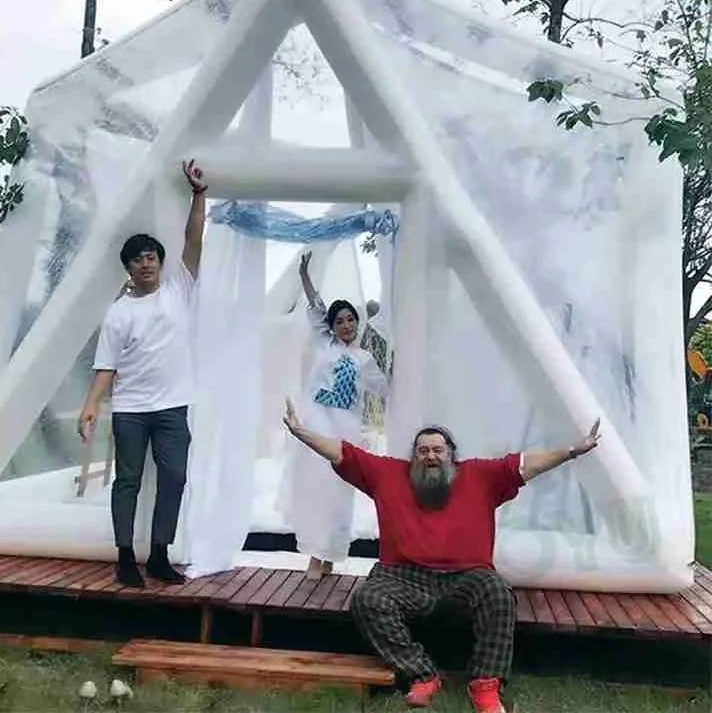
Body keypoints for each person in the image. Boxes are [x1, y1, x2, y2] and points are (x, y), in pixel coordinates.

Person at [283, 399, 601, 712]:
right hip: (402, 576)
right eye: (423, 451)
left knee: (498, 594)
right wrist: (301, 432)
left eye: (438, 450)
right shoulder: (387, 474)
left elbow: (526, 464)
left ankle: (486, 687)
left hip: (466, 578)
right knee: (367, 599)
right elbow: (342, 452)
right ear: (414, 457)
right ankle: (423, 675)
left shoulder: (480, 475)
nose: (431, 456)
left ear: (451, 455)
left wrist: (573, 451)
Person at [77, 159, 207, 588]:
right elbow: (106, 366)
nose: (145, 264)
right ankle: (125, 557)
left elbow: (194, 239)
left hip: (172, 407)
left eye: (150, 257)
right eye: (137, 260)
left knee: (174, 477)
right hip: (131, 409)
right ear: (128, 268)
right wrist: (91, 405)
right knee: (127, 482)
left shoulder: (179, 290)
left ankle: (160, 555)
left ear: (160, 261)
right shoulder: (118, 313)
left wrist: (198, 195)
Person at [284, 251, 389, 579]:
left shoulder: (364, 359)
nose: (346, 325)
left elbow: (385, 387)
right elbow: (316, 310)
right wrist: (305, 278)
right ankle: (315, 557)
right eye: (339, 321)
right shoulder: (325, 345)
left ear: (357, 323)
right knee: (316, 490)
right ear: (332, 327)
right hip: (317, 426)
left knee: (338, 492)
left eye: (350, 320)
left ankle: (329, 555)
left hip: (345, 431)